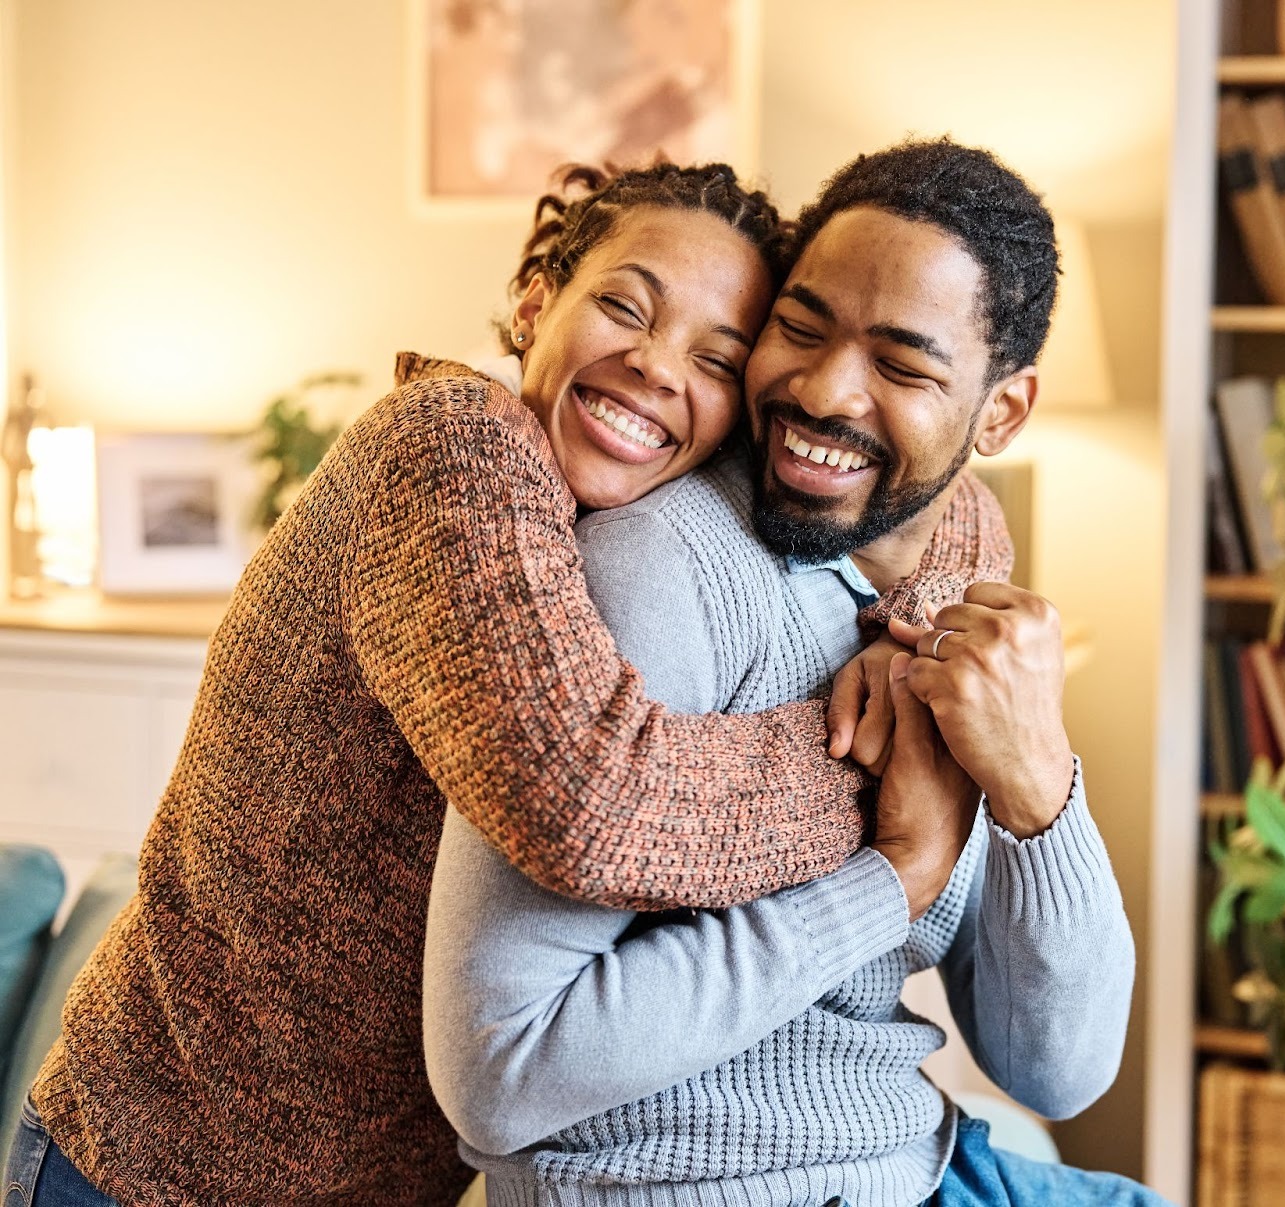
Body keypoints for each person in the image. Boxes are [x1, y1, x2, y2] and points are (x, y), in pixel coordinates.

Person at [4, 162, 1011, 1206]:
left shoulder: (640, 474)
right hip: (151, 1167)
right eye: (625, 306)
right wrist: (892, 793)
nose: (658, 366)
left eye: (716, 356)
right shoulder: (453, 446)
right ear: (537, 305)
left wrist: (912, 625)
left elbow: (959, 507)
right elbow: (585, 803)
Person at [424, 141, 1163, 1206]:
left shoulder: (938, 613)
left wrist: (1039, 780)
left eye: (901, 366)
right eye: (801, 329)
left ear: (999, 412)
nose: (822, 391)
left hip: (924, 1165)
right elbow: (496, 1072)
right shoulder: (664, 566)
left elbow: (1056, 1067)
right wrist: (886, 880)